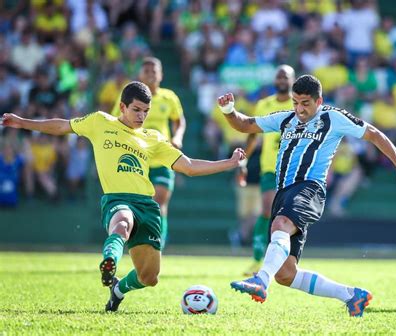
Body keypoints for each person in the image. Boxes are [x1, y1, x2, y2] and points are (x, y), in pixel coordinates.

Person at [1, 81, 246, 312]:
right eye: (136, 109)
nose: (141, 116)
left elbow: (190, 166)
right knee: (123, 223)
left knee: (149, 277)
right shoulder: (100, 122)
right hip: (117, 198)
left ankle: (118, 289)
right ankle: (109, 261)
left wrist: (230, 162)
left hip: (147, 206)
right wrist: (23, 123)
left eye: (146, 111)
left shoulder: (153, 138)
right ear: (122, 106)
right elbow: (61, 126)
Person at [218, 75, 396, 317]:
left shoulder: (332, 117)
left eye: (305, 103)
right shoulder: (285, 119)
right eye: (295, 103)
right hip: (284, 192)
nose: (299, 109)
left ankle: (260, 280)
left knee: (280, 224)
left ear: (319, 100)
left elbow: (374, 133)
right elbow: (245, 124)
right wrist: (228, 110)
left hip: (309, 188)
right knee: (285, 274)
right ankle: (352, 295)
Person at [111, 57, 186, 249]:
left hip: (162, 158)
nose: (151, 74)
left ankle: (157, 246)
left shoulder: (169, 97)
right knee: (136, 204)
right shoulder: (128, 97)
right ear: (139, 75)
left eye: (154, 71)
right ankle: (137, 243)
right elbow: (115, 121)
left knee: (159, 204)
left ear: (161, 74)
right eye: (147, 71)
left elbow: (179, 120)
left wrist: (177, 137)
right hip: (136, 159)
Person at [240, 64, 295, 276]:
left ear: (292, 80)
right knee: (266, 210)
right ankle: (256, 258)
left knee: (289, 216)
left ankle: (283, 259)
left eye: (286, 77)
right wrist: (244, 160)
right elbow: (253, 133)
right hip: (270, 168)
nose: (281, 80)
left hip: (293, 169)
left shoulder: (298, 104)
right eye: (279, 77)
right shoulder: (264, 104)